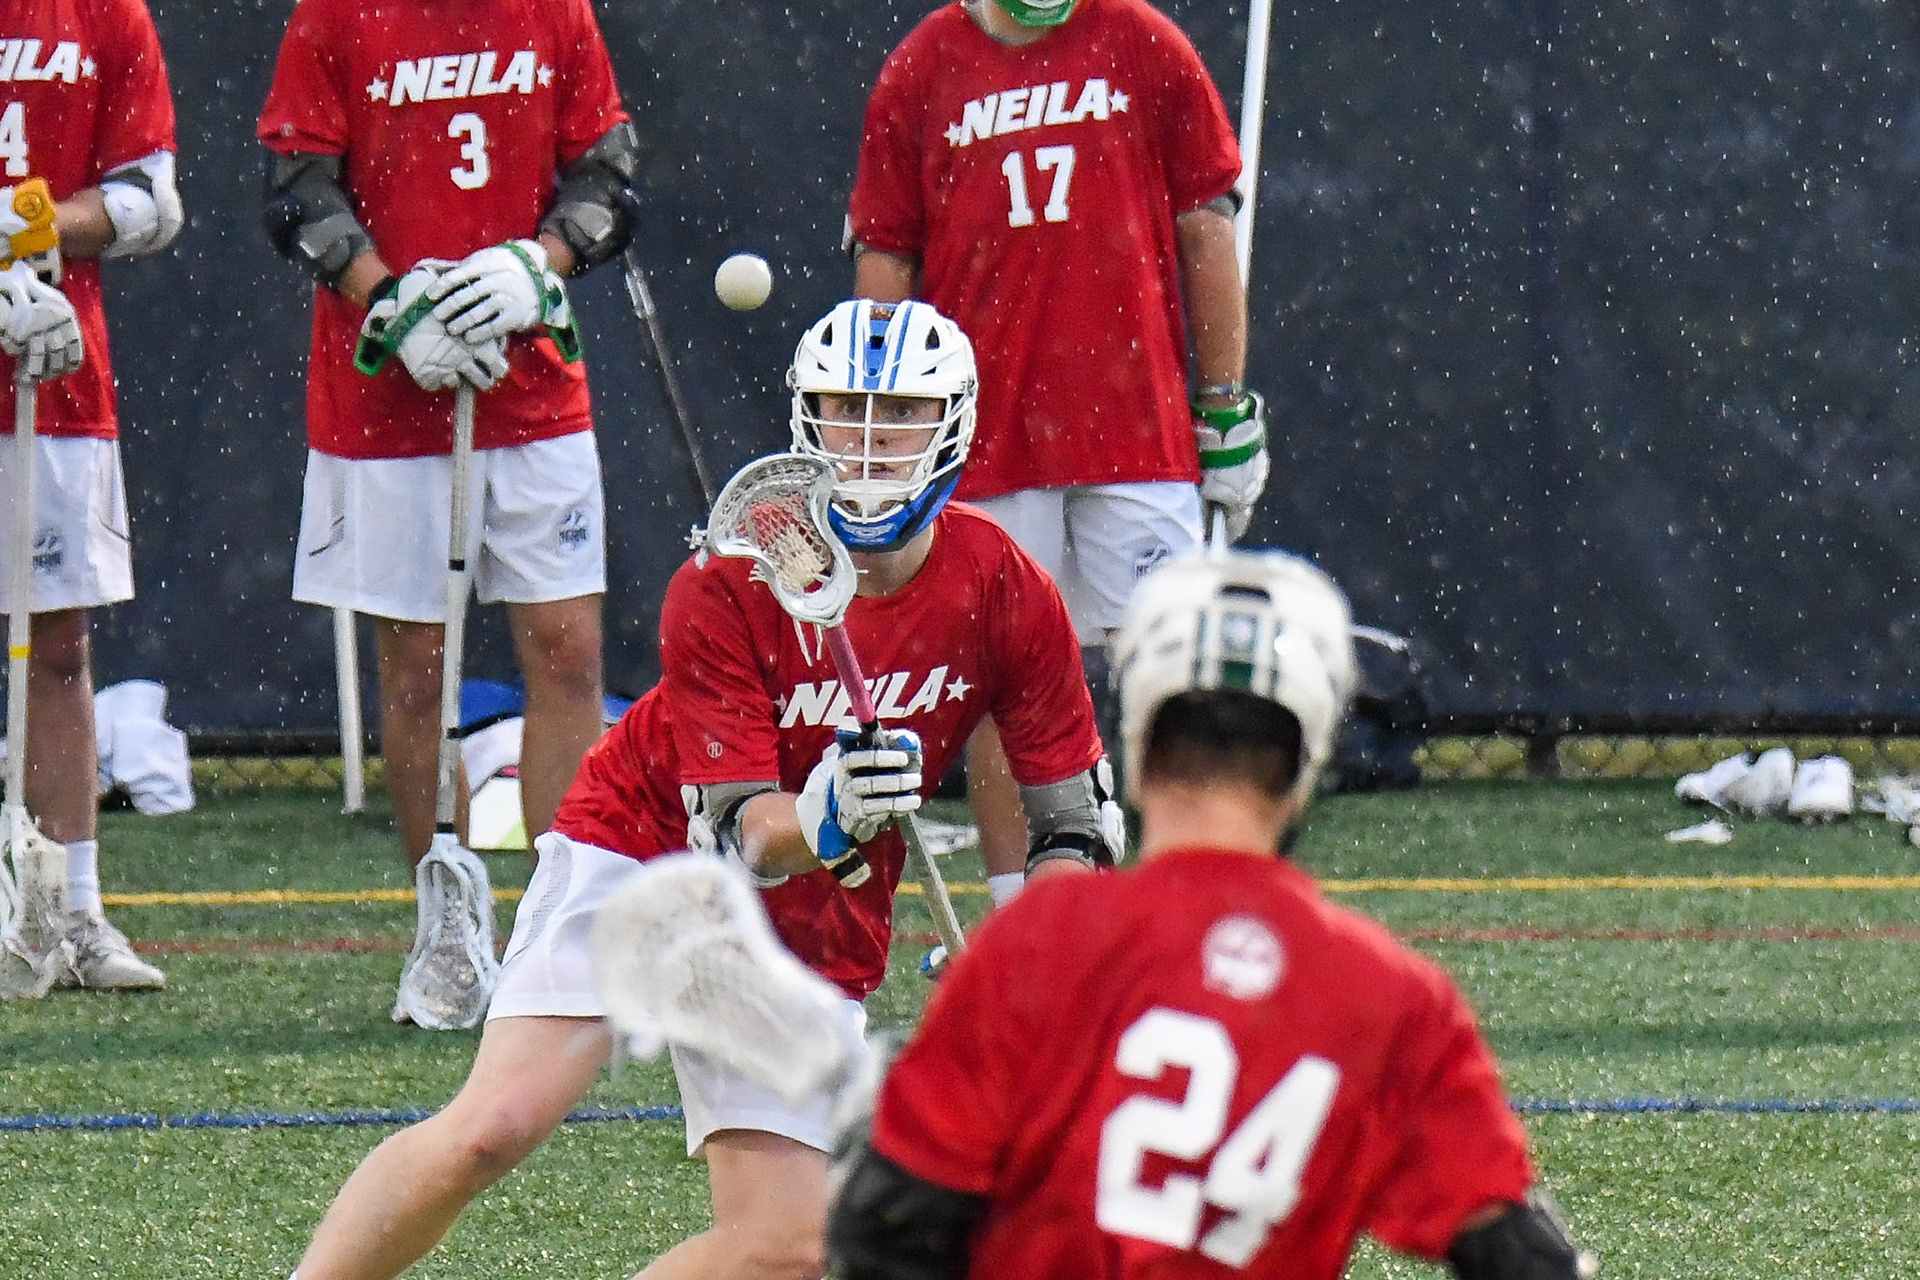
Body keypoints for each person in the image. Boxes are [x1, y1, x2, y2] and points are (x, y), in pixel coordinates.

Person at [276, 298, 1124, 1280]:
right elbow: (743, 835)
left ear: (955, 426)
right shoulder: (729, 578)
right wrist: (831, 811)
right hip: (641, 845)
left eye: (896, 413)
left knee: (788, 1246)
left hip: (821, 898)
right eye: (843, 408)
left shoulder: (1006, 584)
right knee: (493, 1125)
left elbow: (1073, 823)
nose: (865, 438)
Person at [828, 549, 1601, 1280]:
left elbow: (893, 1230)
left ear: (1139, 742)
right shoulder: (1393, 997)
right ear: (1305, 766)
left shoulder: (1039, 941)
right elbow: (1522, 1257)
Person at [256, 0, 637, 1024]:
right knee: (416, 667)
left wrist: (534, 265)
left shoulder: (554, 11)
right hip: (383, 393)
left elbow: (608, 177)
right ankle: (446, 919)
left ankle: (561, 925)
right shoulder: (335, 15)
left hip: (534, 385)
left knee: (566, 654)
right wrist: (391, 299)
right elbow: (297, 194)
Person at [847, 0, 1271, 896]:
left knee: (1174, 672)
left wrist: (1224, 405)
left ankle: (1178, 897)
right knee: (1005, 685)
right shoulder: (924, 65)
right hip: (985, 437)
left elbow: (1206, 224)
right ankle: (1021, 917)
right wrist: (885, 423)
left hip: (1138, 431)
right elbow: (886, 256)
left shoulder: (1143, 41)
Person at [0, 0, 185, 991]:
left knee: (59, 645)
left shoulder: (103, 12)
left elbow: (149, 200)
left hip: (49, 369)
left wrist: (22, 223)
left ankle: (72, 913)